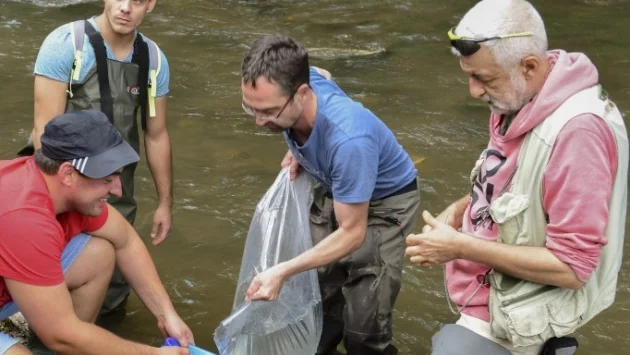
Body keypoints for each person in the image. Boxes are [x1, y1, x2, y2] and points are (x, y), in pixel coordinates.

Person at [404, 1, 628, 354]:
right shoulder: (521, 98)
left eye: (483, 78)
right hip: (492, 295)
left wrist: (458, 246)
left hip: (520, 313)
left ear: (529, 66)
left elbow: (572, 267)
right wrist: (460, 210)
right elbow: (514, 184)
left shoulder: (578, 134)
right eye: (469, 75)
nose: (473, 91)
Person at [240, 35, 421, 355]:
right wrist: (300, 149)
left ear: (301, 95)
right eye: (250, 108)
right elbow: (322, 74)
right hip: (336, 182)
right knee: (317, 301)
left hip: (384, 203)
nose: (258, 121)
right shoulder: (303, 83)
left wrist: (282, 271)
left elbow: (353, 234)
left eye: (267, 111)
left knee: (364, 326)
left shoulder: (349, 140)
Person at [20, 0, 174, 316]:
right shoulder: (66, 45)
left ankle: (107, 332)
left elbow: (156, 136)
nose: (126, 8)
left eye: (138, 1)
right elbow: (45, 131)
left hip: (116, 186)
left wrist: (165, 204)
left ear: (151, 5)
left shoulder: (154, 60)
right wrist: (56, 203)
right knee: (54, 275)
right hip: (61, 183)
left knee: (116, 281)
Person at [0, 109, 192, 355]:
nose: (117, 191)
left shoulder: (63, 191)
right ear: (68, 174)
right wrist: (151, 354)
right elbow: (59, 334)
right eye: (107, 179)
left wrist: (167, 316)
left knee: (99, 253)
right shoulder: (24, 218)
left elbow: (126, 241)